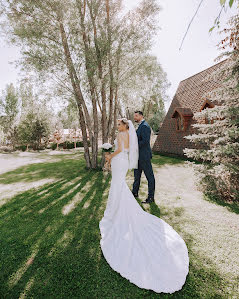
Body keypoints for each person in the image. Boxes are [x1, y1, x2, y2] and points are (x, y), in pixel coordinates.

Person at [100, 118, 189, 294]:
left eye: (119, 124)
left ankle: (115, 213)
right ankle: (116, 209)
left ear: (125, 126)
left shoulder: (122, 134)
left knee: (117, 185)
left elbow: (119, 149)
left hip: (119, 159)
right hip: (122, 161)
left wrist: (109, 155)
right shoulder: (126, 134)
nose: (117, 126)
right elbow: (124, 149)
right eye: (118, 124)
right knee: (118, 186)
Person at [132, 111, 155, 203]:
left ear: (141, 116)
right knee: (136, 176)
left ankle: (151, 197)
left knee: (149, 177)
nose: (135, 118)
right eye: (134, 116)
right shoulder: (140, 126)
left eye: (136, 116)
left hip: (144, 156)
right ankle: (134, 193)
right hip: (137, 157)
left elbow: (145, 141)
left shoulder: (145, 126)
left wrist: (133, 145)